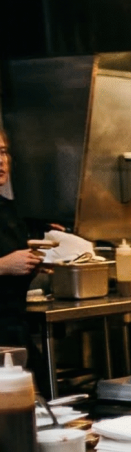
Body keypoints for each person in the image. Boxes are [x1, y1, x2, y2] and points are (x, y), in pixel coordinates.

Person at [0, 129, 43, 355]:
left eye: (3, 152)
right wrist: (4, 266)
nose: (1, 160)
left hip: (14, 331)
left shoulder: (8, 210)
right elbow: (7, 263)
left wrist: (33, 264)